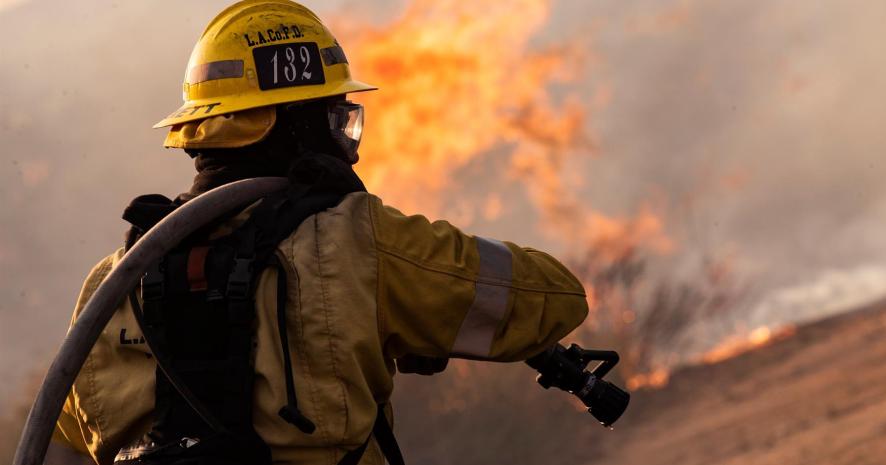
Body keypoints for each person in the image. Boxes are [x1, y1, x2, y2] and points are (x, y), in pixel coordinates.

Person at [53, 1, 589, 464]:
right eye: (334, 117)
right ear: (292, 123)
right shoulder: (357, 244)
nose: (343, 137)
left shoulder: (117, 283)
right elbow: (549, 298)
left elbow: (75, 421)